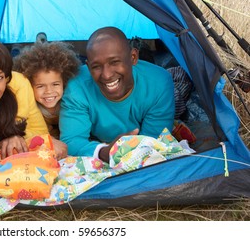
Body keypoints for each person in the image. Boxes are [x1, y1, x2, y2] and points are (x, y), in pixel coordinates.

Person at [59, 27, 175, 163]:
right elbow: (71, 141)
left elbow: (154, 143)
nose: (107, 75)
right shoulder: (77, 86)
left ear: (133, 57)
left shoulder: (158, 83)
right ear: (88, 66)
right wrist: (104, 152)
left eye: (114, 62)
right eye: (96, 66)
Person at [13, 41, 81, 159]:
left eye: (55, 84)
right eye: (40, 86)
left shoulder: (70, 101)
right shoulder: (30, 106)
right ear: (30, 86)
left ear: (64, 82)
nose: (49, 91)